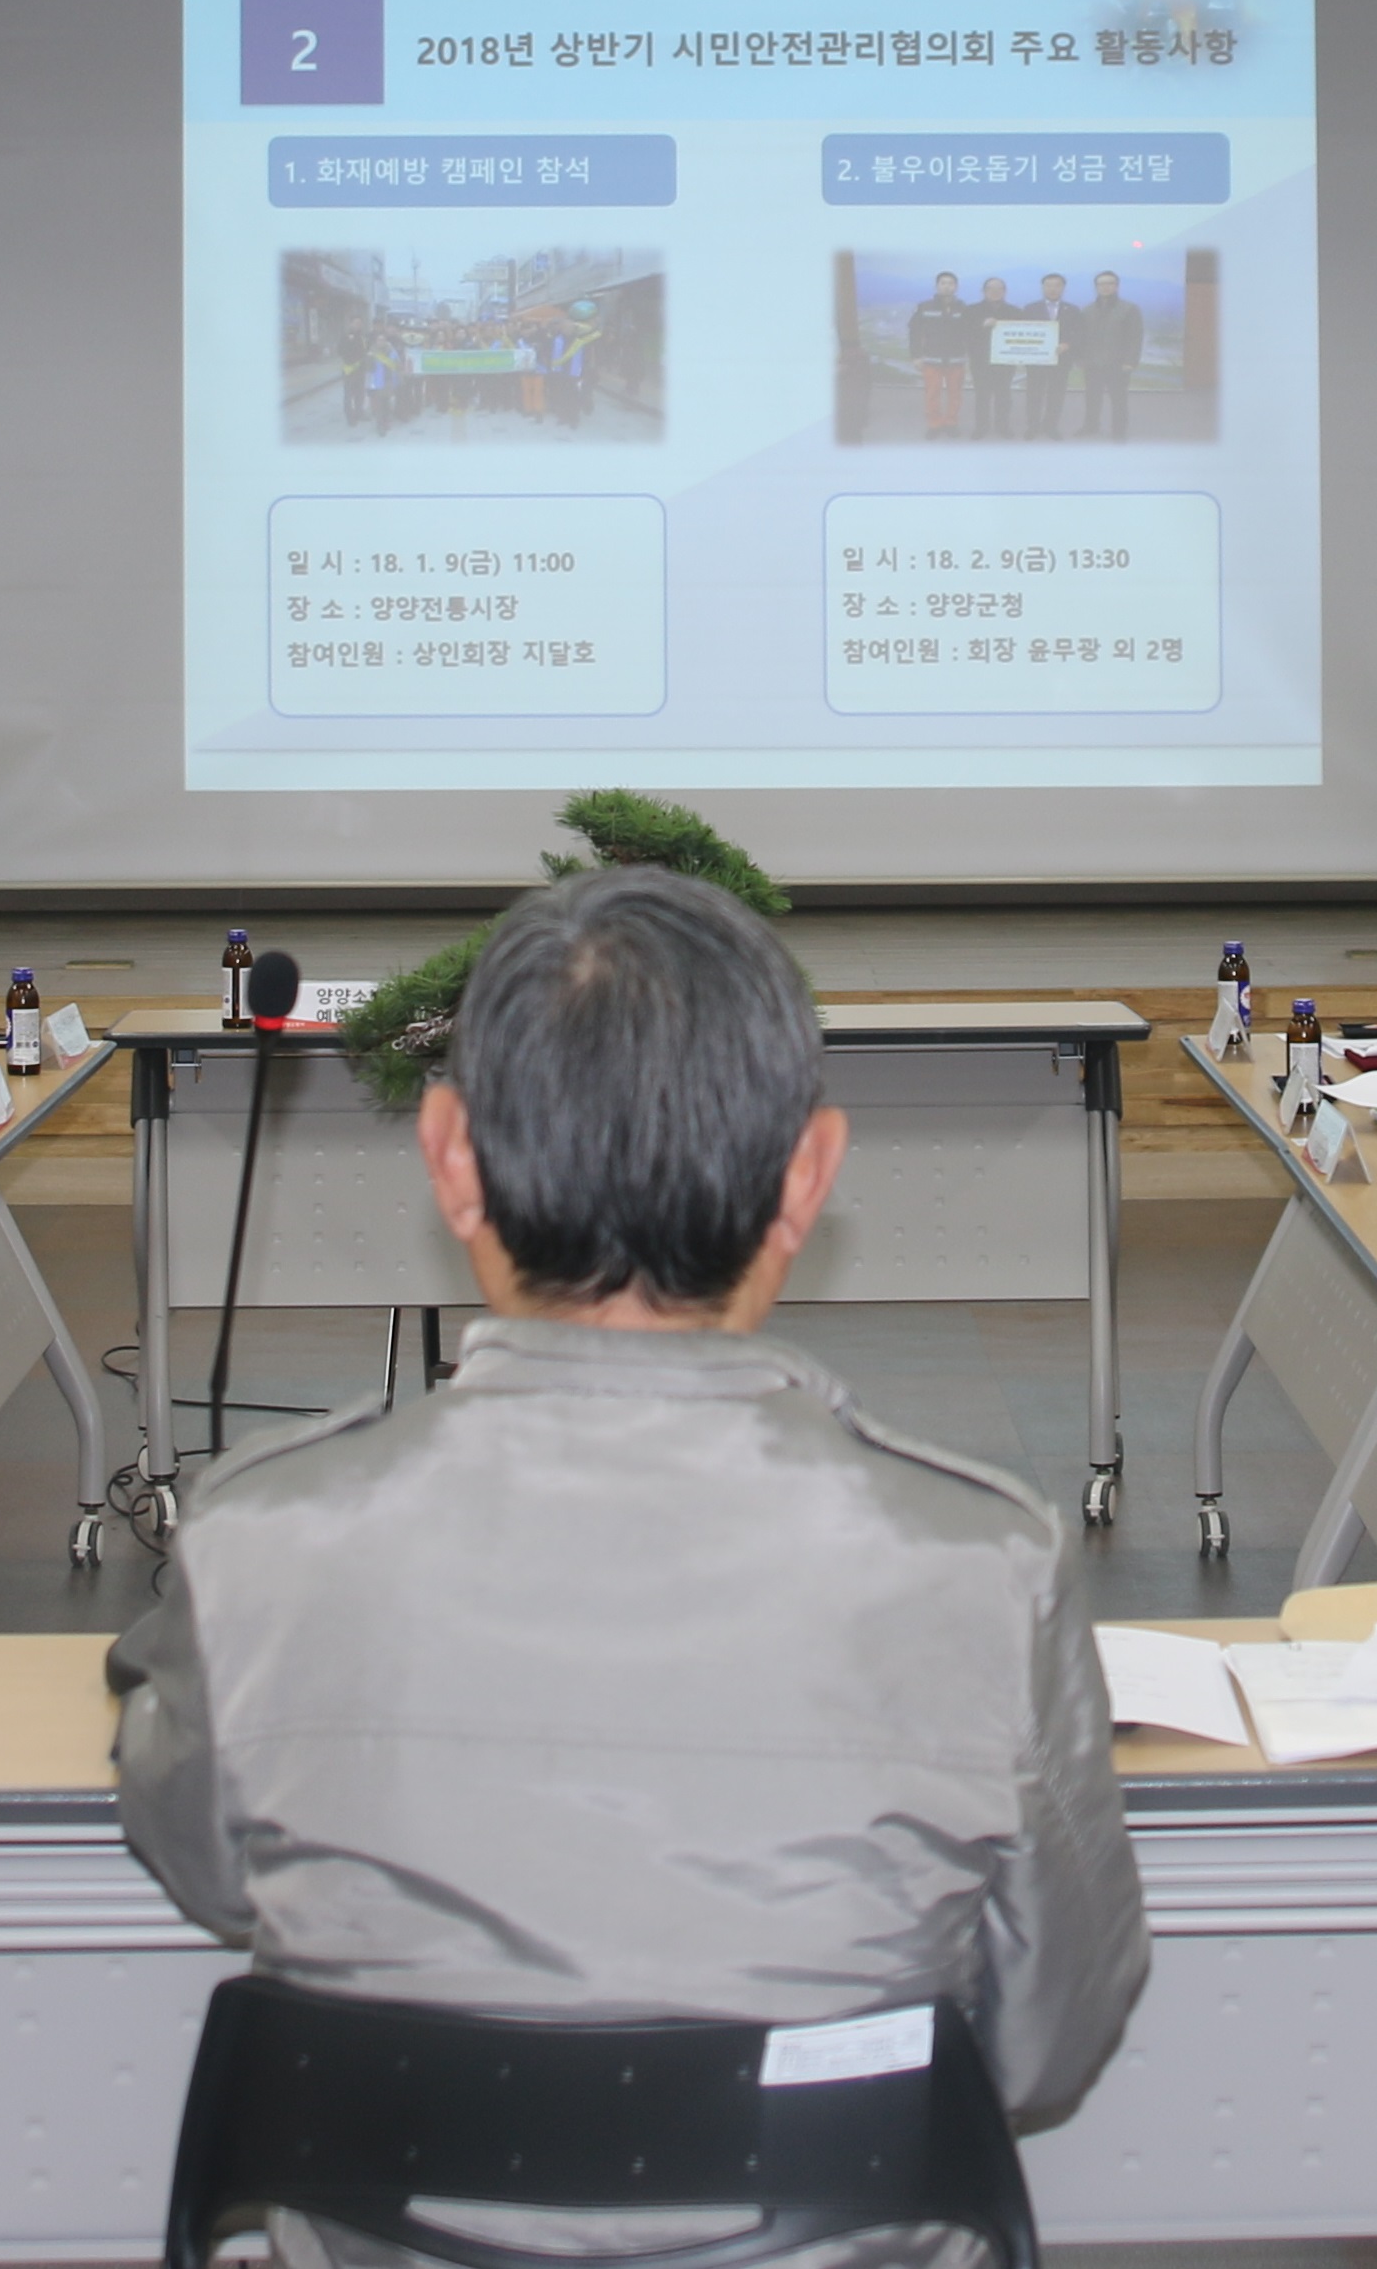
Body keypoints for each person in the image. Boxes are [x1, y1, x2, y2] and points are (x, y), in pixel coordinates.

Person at [111, 868, 1149, 2255]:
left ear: (449, 1156)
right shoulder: (981, 1564)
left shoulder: (259, 1539)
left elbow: (206, 1866)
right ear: (808, 1176)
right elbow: (1042, 2043)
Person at [1075, 267, 1146, 442]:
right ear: (1096, 287)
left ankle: (1118, 431)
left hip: (1118, 364)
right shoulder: (1088, 310)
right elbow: (1082, 337)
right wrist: (1081, 358)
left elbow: (1135, 337)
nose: (1105, 287)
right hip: (1092, 363)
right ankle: (1091, 426)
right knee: (1092, 398)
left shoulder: (1129, 309)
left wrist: (1130, 361)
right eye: (1101, 284)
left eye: (1109, 283)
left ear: (1117, 286)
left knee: (1119, 399)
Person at [905, 271, 976, 440]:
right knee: (932, 394)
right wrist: (916, 356)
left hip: (956, 360)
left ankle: (951, 423)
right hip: (932, 360)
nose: (947, 286)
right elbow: (914, 332)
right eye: (943, 283)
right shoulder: (924, 307)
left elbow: (970, 335)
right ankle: (934, 424)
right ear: (937, 286)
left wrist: (970, 359)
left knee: (955, 395)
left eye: (951, 283)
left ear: (956, 287)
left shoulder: (963, 308)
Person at [970, 275, 1026, 438]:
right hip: (980, 361)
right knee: (982, 396)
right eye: (990, 289)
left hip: (1005, 362)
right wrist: (982, 325)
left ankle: (1003, 426)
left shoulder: (1015, 312)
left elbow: (1023, 335)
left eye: (999, 289)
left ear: (1005, 291)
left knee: (1003, 395)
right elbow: (964, 333)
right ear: (983, 291)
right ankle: (981, 427)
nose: (995, 292)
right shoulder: (972, 311)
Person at [1030, 271, 1080, 436]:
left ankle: (1051, 427)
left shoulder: (1073, 310)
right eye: (1049, 285)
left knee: (1056, 395)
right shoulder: (1030, 308)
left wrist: (1068, 344)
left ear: (1063, 288)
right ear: (1042, 288)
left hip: (1061, 360)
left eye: (1057, 285)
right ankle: (1032, 427)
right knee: (1034, 394)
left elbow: (1079, 334)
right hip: (1036, 361)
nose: (1053, 289)